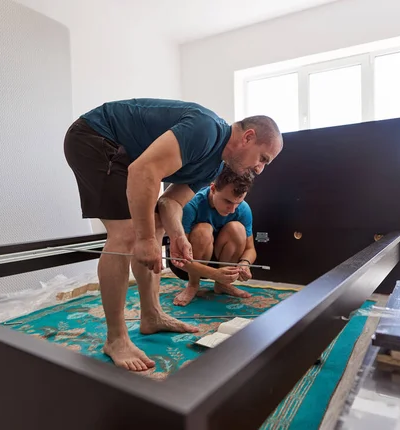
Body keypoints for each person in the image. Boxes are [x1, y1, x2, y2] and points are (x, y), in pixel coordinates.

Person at [64, 98, 282, 371]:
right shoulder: (207, 129)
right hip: (94, 135)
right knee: (128, 234)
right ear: (248, 137)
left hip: (122, 152)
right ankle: (116, 339)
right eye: (263, 159)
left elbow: (170, 203)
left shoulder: (214, 167)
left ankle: (151, 314)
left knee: (155, 224)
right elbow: (143, 171)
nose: (260, 169)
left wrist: (178, 236)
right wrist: (143, 240)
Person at [170, 165, 256, 306]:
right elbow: (179, 257)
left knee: (237, 229)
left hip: (220, 262)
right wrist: (213, 273)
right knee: (203, 230)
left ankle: (222, 284)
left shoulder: (243, 209)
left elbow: (250, 249)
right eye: (228, 201)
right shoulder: (192, 205)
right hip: (187, 265)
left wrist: (244, 264)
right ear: (213, 189)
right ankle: (193, 285)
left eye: (238, 203)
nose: (232, 209)